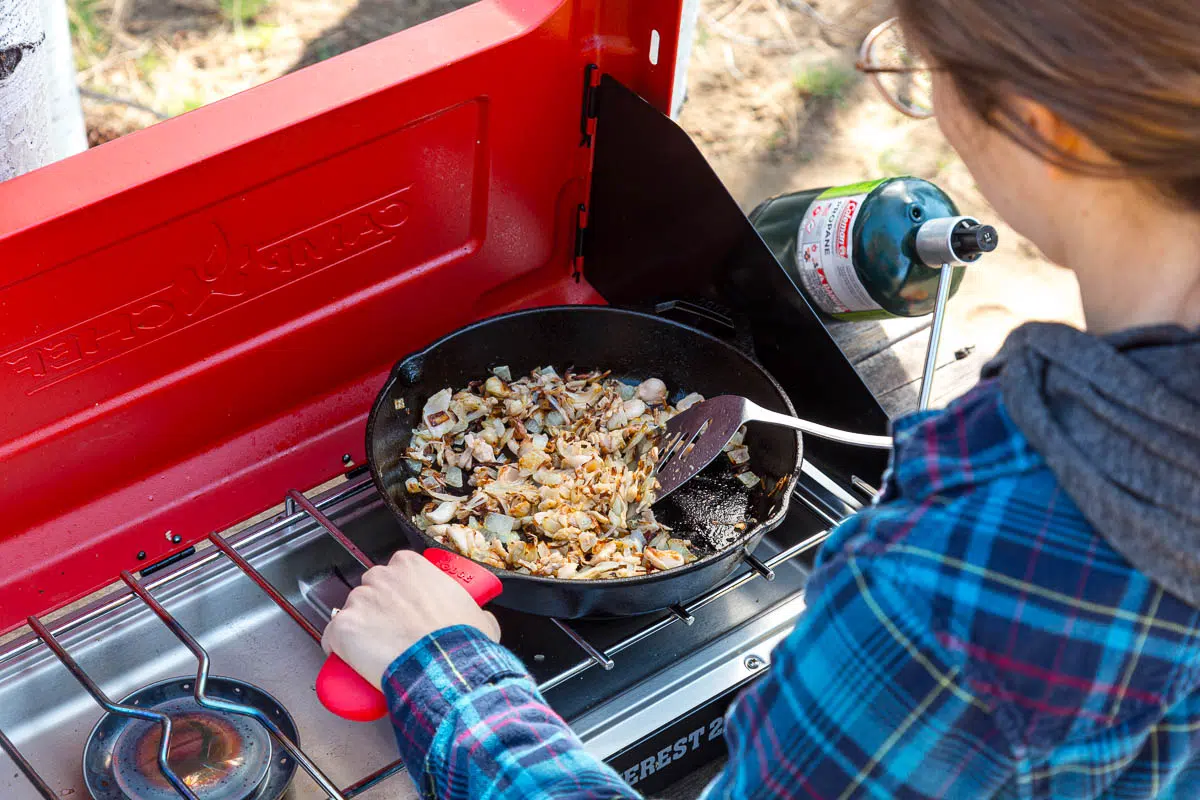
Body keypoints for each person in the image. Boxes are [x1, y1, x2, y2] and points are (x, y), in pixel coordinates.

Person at [322, 2, 1200, 797]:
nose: (933, 106)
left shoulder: (955, 584)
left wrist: (439, 673)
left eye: (927, 74)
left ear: (1045, 129)